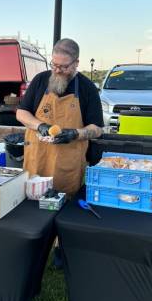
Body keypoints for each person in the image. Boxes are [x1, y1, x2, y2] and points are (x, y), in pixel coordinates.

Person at [16, 38, 104, 197]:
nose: (57, 70)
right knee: (31, 204)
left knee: (64, 203)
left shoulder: (87, 88)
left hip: (68, 163)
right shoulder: (40, 80)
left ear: (76, 63)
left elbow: (97, 129)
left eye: (63, 67)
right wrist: (40, 126)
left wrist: (75, 133)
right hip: (37, 158)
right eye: (54, 65)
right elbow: (21, 113)